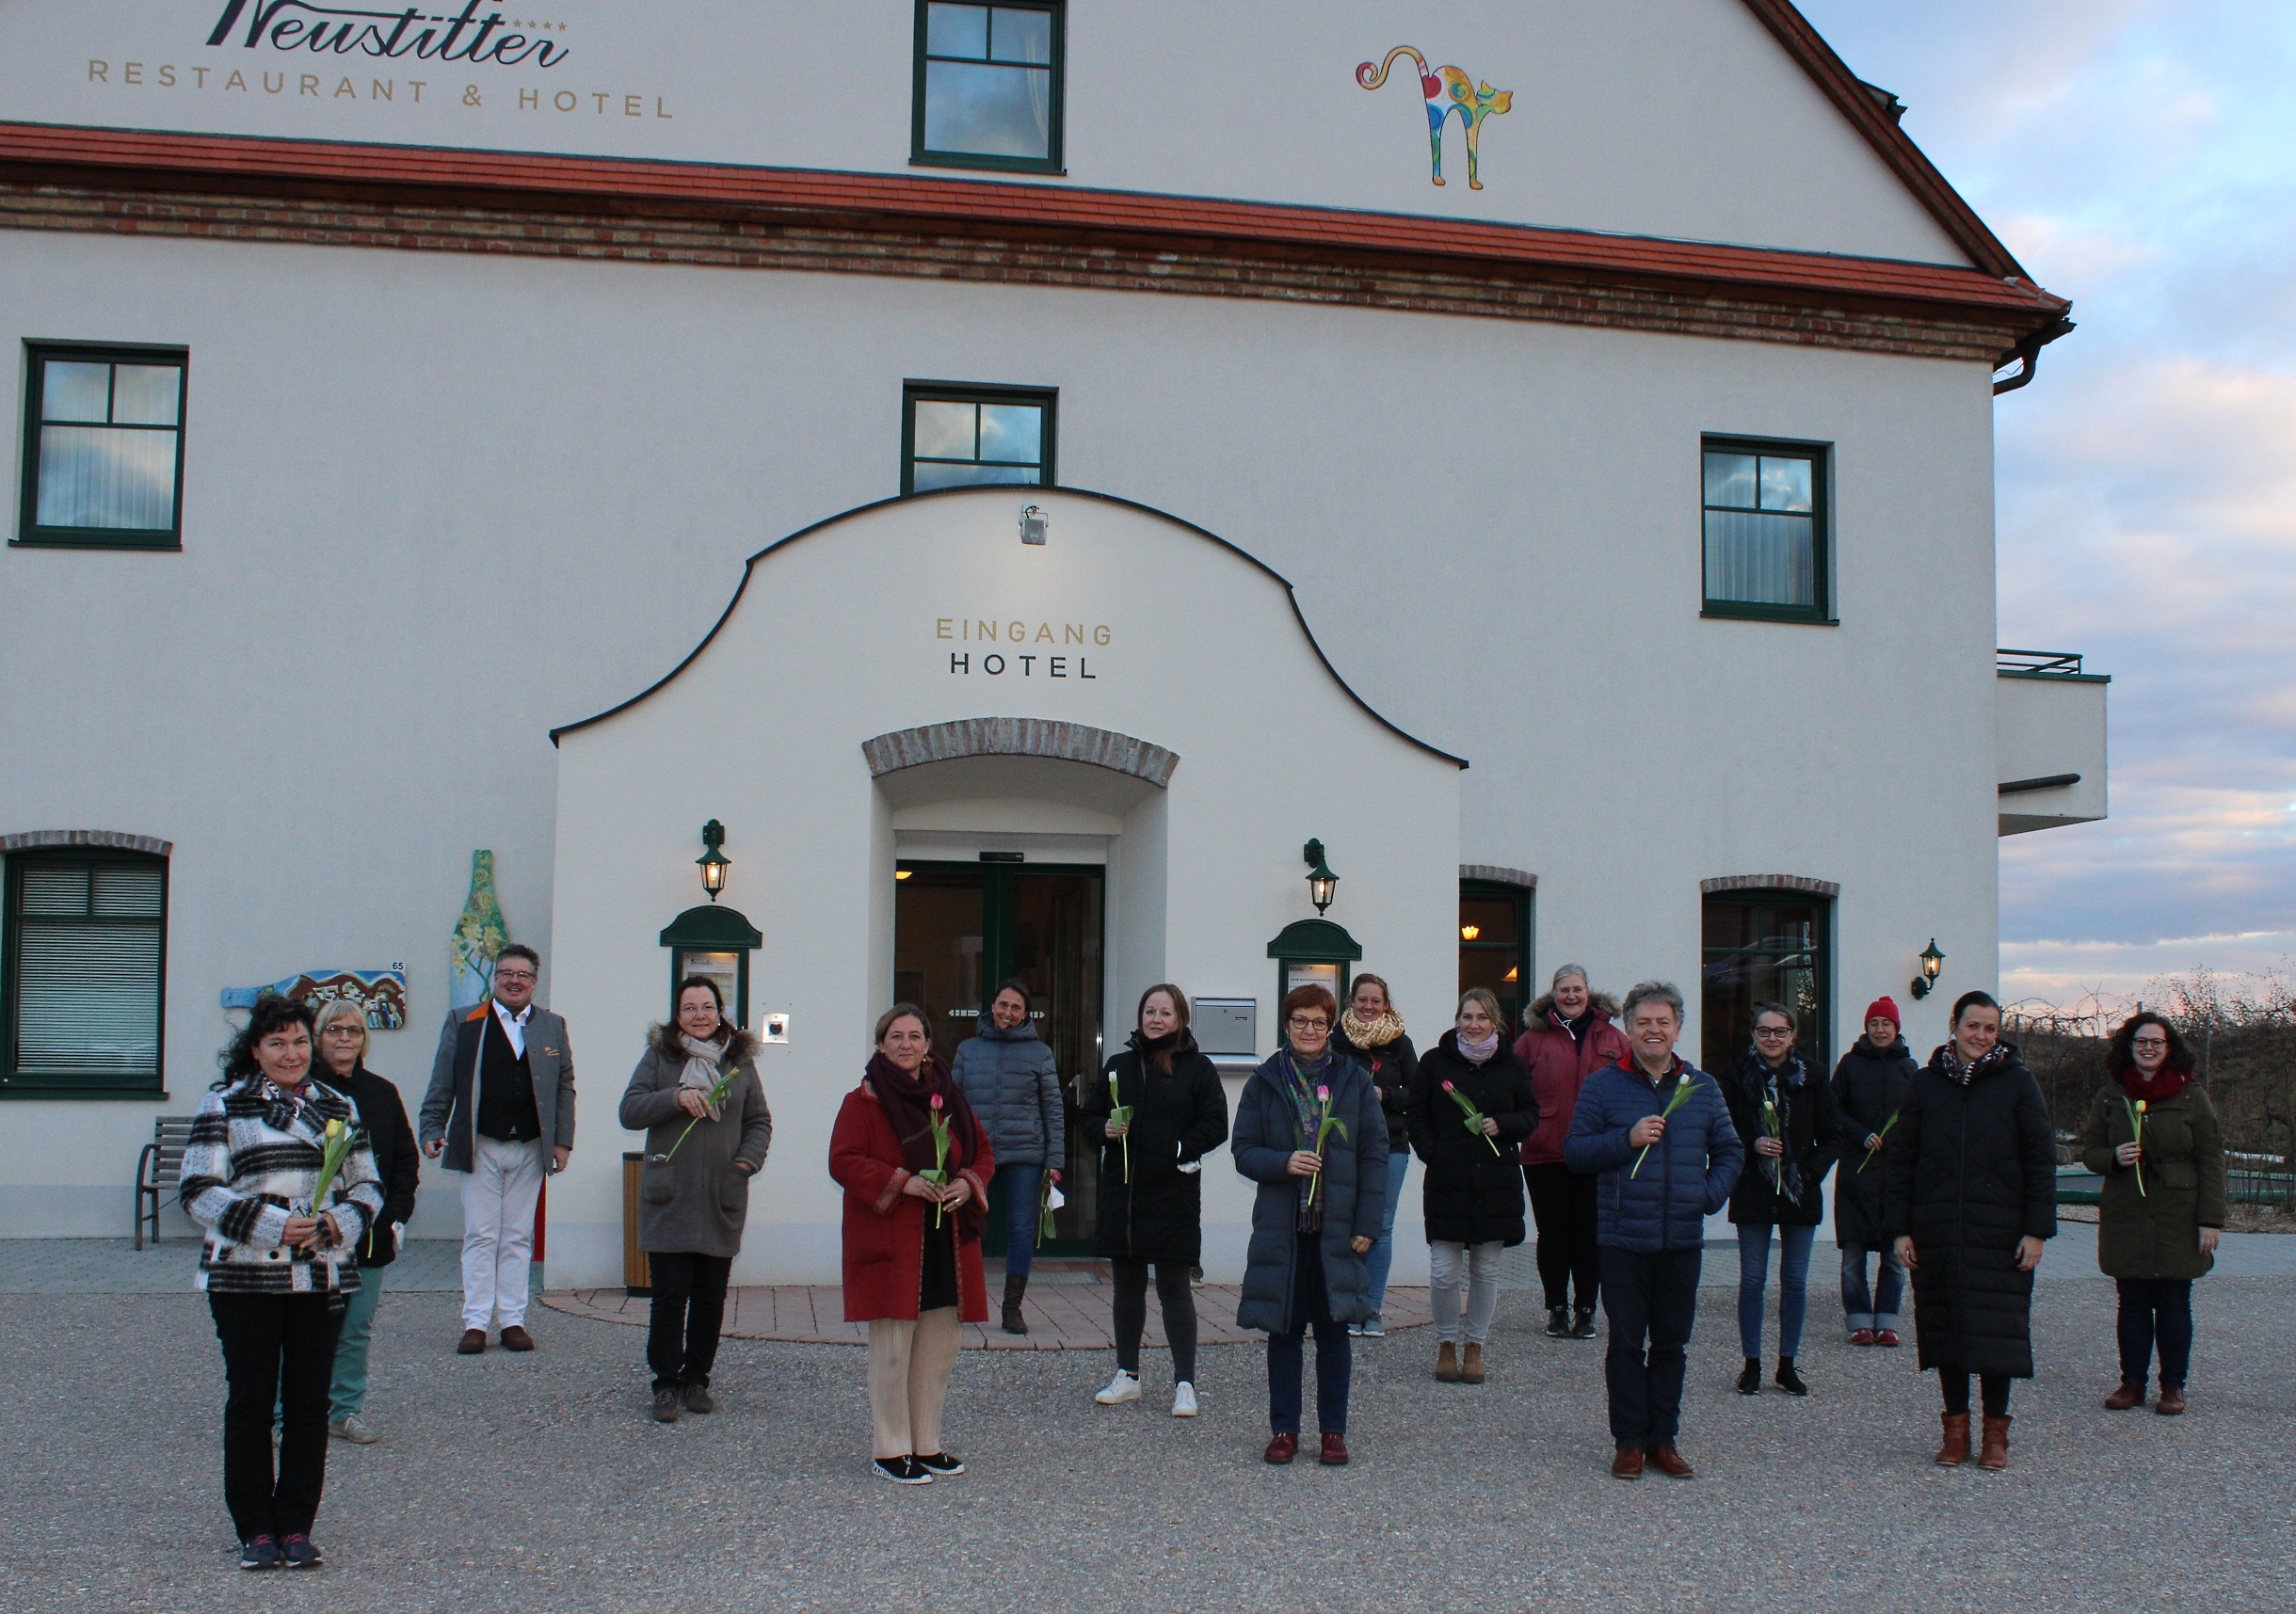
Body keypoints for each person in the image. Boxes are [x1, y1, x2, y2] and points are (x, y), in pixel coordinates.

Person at [181, 993, 384, 1572]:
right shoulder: (224, 1104)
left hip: (320, 1274)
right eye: (277, 1043)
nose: (290, 1053)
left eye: (299, 1041)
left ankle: (296, 1525)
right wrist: (273, 1223)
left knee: (307, 1403)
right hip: (245, 1277)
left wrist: (334, 1223)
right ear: (255, 1050)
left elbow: (367, 1185)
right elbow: (197, 1188)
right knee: (250, 1401)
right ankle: (254, 1529)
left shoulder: (338, 1104)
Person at [1565, 981, 1742, 1481]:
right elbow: (1576, 1152)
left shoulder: (1701, 1088)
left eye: (1663, 1022)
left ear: (1678, 1028)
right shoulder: (1603, 1085)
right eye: (1643, 1022)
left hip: (1681, 1239)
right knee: (1625, 1344)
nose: (1653, 1030)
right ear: (1627, 1029)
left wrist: (1707, 1197)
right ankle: (1628, 1442)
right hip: (1623, 1236)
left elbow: (1731, 1151)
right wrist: (1626, 1138)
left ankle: (1664, 1439)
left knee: (1670, 1345)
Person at [1884, 990, 2056, 1471]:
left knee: (1996, 1333)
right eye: (1972, 1026)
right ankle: (1955, 1430)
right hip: (1938, 1228)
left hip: (2000, 1232)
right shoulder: (1924, 1084)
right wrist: (1900, 1228)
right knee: (1949, 1330)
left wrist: (2037, 1230)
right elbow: (1901, 1161)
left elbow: (2041, 1160)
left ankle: (1995, 1435)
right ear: (1953, 1026)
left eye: (1990, 1028)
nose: (1980, 1036)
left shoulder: (2018, 1084)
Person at [828, 1004, 995, 1484]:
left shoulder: (950, 1098)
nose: (906, 1044)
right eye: (895, 1036)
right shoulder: (861, 1102)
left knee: (939, 1347)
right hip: (892, 1241)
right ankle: (890, 1447)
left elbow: (982, 1152)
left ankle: (927, 1443)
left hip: (946, 1240)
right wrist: (901, 1182)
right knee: (894, 1348)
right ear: (881, 1045)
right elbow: (844, 1160)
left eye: (915, 1036)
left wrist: (968, 1182)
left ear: (927, 1046)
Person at [1232, 983, 1388, 1467]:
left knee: (1334, 1331)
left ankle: (1333, 1432)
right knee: (1283, 1332)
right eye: (1300, 1021)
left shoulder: (1353, 1080)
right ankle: (1284, 1430)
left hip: (1335, 1228)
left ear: (1331, 1025)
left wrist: (1368, 1223)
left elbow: (1373, 1153)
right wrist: (1284, 1162)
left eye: (1319, 1022)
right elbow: (1243, 1150)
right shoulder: (1264, 1081)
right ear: (1286, 1024)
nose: (1309, 1030)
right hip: (1284, 1229)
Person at [619, 977, 774, 1423]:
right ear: (678, 1016)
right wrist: (675, 1097)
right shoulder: (660, 1058)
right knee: (670, 1296)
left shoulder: (739, 1065)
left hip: (720, 1200)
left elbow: (759, 1121)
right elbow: (629, 1110)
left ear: (720, 1012)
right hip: (669, 1199)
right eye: (690, 1008)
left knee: (710, 1296)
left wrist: (744, 1164)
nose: (700, 1015)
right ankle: (666, 1383)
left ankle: (697, 1380)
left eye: (708, 1006)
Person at [419, 942, 577, 1354]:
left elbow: (564, 1087)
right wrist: (432, 1126)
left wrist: (562, 1141)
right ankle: (475, 1323)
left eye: (523, 975)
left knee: (517, 1237)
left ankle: (512, 1321)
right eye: (506, 973)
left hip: (530, 1146)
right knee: (480, 1234)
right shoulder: (465, 1021)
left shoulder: (552, 1026)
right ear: (495, 978)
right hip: (480, 1144)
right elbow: (443, 1078)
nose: (514, 981)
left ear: (534, 982)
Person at [1082, 983, 1229, 1416]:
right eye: (1150, 1011)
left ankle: (1185, 1382)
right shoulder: (1119, 1066)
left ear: (1180, 1019)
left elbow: (1216, 1124)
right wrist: (1104, 1131)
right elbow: (1090, 1117)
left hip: (1173, 1192)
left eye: (1166, 1012)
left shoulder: (1198, 1069)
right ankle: (1127, 1374)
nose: (1157, 1019)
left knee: (1173, 1289)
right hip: (1124, 1194)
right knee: (1126, 1287)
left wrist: (1179, 1149)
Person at [2079, 1011, 2226, 1415]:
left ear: (2169, 1048)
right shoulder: (2111, 1096)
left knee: (2175, 1300)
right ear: (2129, 1047)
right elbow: (2088, 1151)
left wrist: (2210, 1220)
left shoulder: (2192, 1096)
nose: (2148, 1049)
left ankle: (2173, 1386)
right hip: (2127, 1212)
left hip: (2179, 1212)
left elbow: (2211, 1158)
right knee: (2133, 1301)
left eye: (2156, 1043)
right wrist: (2112, 1157)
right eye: (2141, 1042)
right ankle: (2132, 1383)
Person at [1406, 987, 1534, 1385]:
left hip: (1495, 1181)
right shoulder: (1434, 1062)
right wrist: (1434, 1152)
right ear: (1457, 1019)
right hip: (1448, 1180)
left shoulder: (1512, 1065)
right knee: (1444, 1271)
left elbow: (1531, 1113)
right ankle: (1447, 1343)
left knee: (1486, 1270)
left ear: (1494, 1022)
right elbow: (1417, 1112)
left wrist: (1505, 1124)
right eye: (1467, 1017)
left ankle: (1475, 1345)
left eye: (1481, 1018)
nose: (1473, 1025)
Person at [309, 998, 419, 1446]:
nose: (344, 1039)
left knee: (355, 1327)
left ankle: (345, 1409)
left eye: (352, 1031)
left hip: (369, 1232)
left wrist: (393, 1215)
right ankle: (285, 1414)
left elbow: (404, 1160)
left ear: (364, 1039)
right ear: (318, 1037)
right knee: (304, 1328)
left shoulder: (380, 1093)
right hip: (313, 1232)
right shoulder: (303, 1092)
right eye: (334, 1030)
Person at [1720, 1002, 1840, 1398]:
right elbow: (1723, 1131)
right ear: (1753, 1035)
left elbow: (1832, 1135)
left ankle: (1787, 1363)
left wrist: (1806, 1172)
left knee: (1794, 1281)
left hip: (1799, 1190)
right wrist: (1752, 1144)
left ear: (1793, 1035)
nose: (1772, 1038)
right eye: (1764, 1031)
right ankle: (1751, 1363)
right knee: (1753, 1279)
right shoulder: (1736, 1077)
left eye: (1780, 1031)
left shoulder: (1814, 1077)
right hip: (1754, 1187)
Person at [1515, 965, 1630, 1339]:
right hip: (1545, 1149)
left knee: (1590, 1233)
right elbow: (1514, 1088)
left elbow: (1631, 1086)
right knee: (1553, 1233)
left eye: (1577, 989)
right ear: (1553, 995)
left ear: (1587, 992)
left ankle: (1586, 1308)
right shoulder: (1533, 1039)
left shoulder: (1613, 1036)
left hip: (1597, 1151)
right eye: (1564, 990)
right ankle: (1556, 1308)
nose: (1571, 996)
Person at [951, 979, 1064, 1335]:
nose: (1008, 1013)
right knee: (966, 1226)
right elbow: (953, 1103)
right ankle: (963, 1300)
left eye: (1016, 1008)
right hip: (977, 1156)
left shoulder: (1040, 1053)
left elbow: (1053, 1109)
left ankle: (1012, 1308)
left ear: (1026, 1014)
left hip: (1025, 1156)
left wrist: (1054, 1159)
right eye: (1003, 1005)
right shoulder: (968, 1050)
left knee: (1020, 1230)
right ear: (992, 1006)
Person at [1334, 973, 1417, 1338]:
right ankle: (1346, 1304)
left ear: (1386, 1005)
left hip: (1391, 1146)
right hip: (1344, 1146)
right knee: (1343, 1224)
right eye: (1362, 999)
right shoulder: (1335, 1040)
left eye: (1376, 1001)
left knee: (1380, 1227)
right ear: (1351, 1001)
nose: (1369, 1007)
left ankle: (1372, 1308)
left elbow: (1417, 1095)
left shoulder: (1401, 1044)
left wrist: (1386, 1096)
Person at [1831, 997, 1917, 1347]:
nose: (1880, 1030)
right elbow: (1833, 1111)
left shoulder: (1909, 1068)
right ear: (1866, 1029)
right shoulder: (1850, 1065)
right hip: (1856, 1173)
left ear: (1896, 1029)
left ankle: (1887, 1321)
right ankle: (1859, 1321)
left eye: (1886, 1024)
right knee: (1853, 1257)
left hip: (1893, 1178)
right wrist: (1860, 1135)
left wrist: (1897, 1141)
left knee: (1893, 1257)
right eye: (1874, 1024)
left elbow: (1916, 1119)